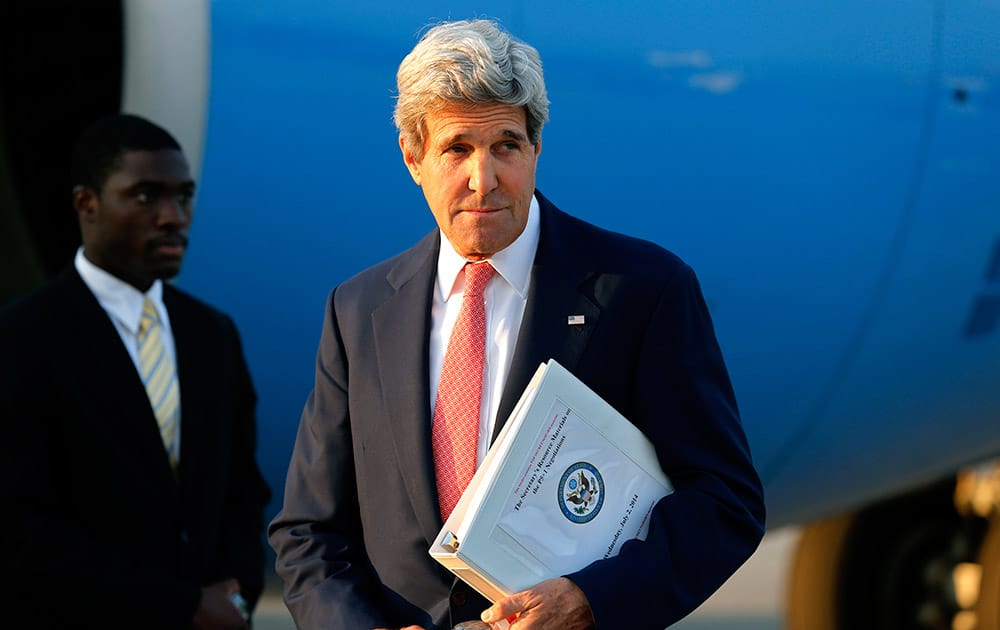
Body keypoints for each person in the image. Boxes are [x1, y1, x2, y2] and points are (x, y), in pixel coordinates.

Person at [268, 19, 765, 630]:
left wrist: (589, 600)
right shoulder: (358, 309)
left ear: (535, 150)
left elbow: (724, 501)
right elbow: (309, 531)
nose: (485, 178)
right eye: (456, 149)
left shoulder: (642, 290)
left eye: (505, 145)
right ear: (412, 157)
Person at [0, 113, 271, 629]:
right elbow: (20, 528)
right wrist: (181, 606)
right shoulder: (22, 338)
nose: (173, 217)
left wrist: (238, 591)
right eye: (147, 196)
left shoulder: (212, 335)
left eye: (183, 197)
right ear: (87, 204)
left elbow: (242, 489)